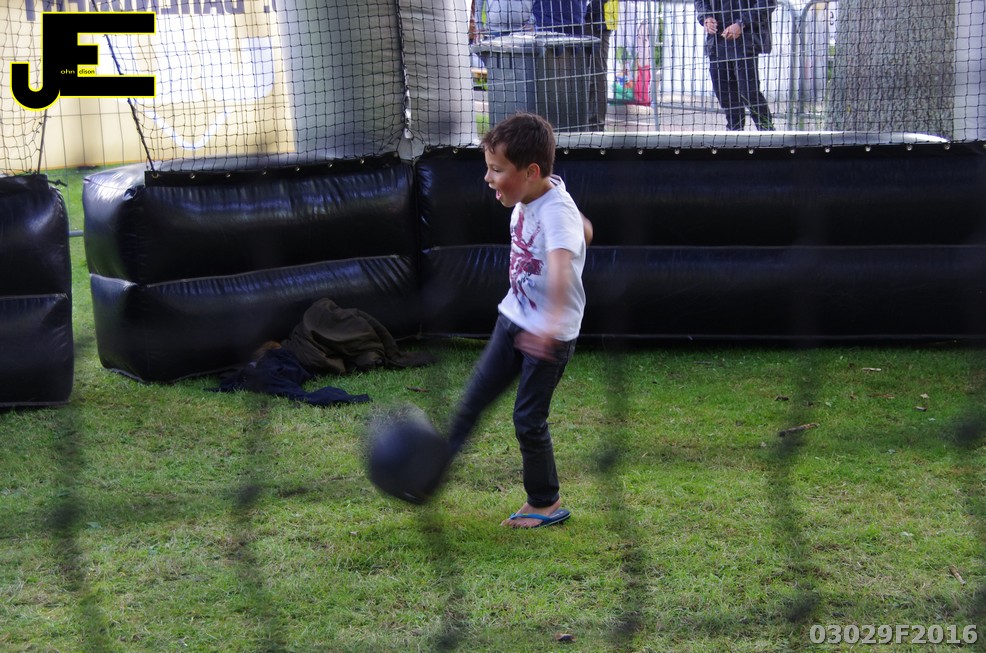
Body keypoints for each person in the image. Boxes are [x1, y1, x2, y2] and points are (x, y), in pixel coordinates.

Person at [444, 112, 591, 529]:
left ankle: (546, 502)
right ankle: (427, 474)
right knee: (472, 399)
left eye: (496, 170)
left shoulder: (556, 212)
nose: (488, 178)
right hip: (513, 317)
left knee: (527, 419)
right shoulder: (539, 196)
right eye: (488, 167)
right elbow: (585, 230)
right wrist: (582, 229)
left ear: (530, 172)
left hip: (549, 334)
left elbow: (560, 269)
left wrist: (548, 325)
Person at [694, 0, 776, 131]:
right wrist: (706, 17)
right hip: (717, 42)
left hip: (746, 42)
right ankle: (734, 132)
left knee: (749, 93)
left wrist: (741, 23)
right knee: (724, 93)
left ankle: (767, 131)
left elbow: (767, 3)